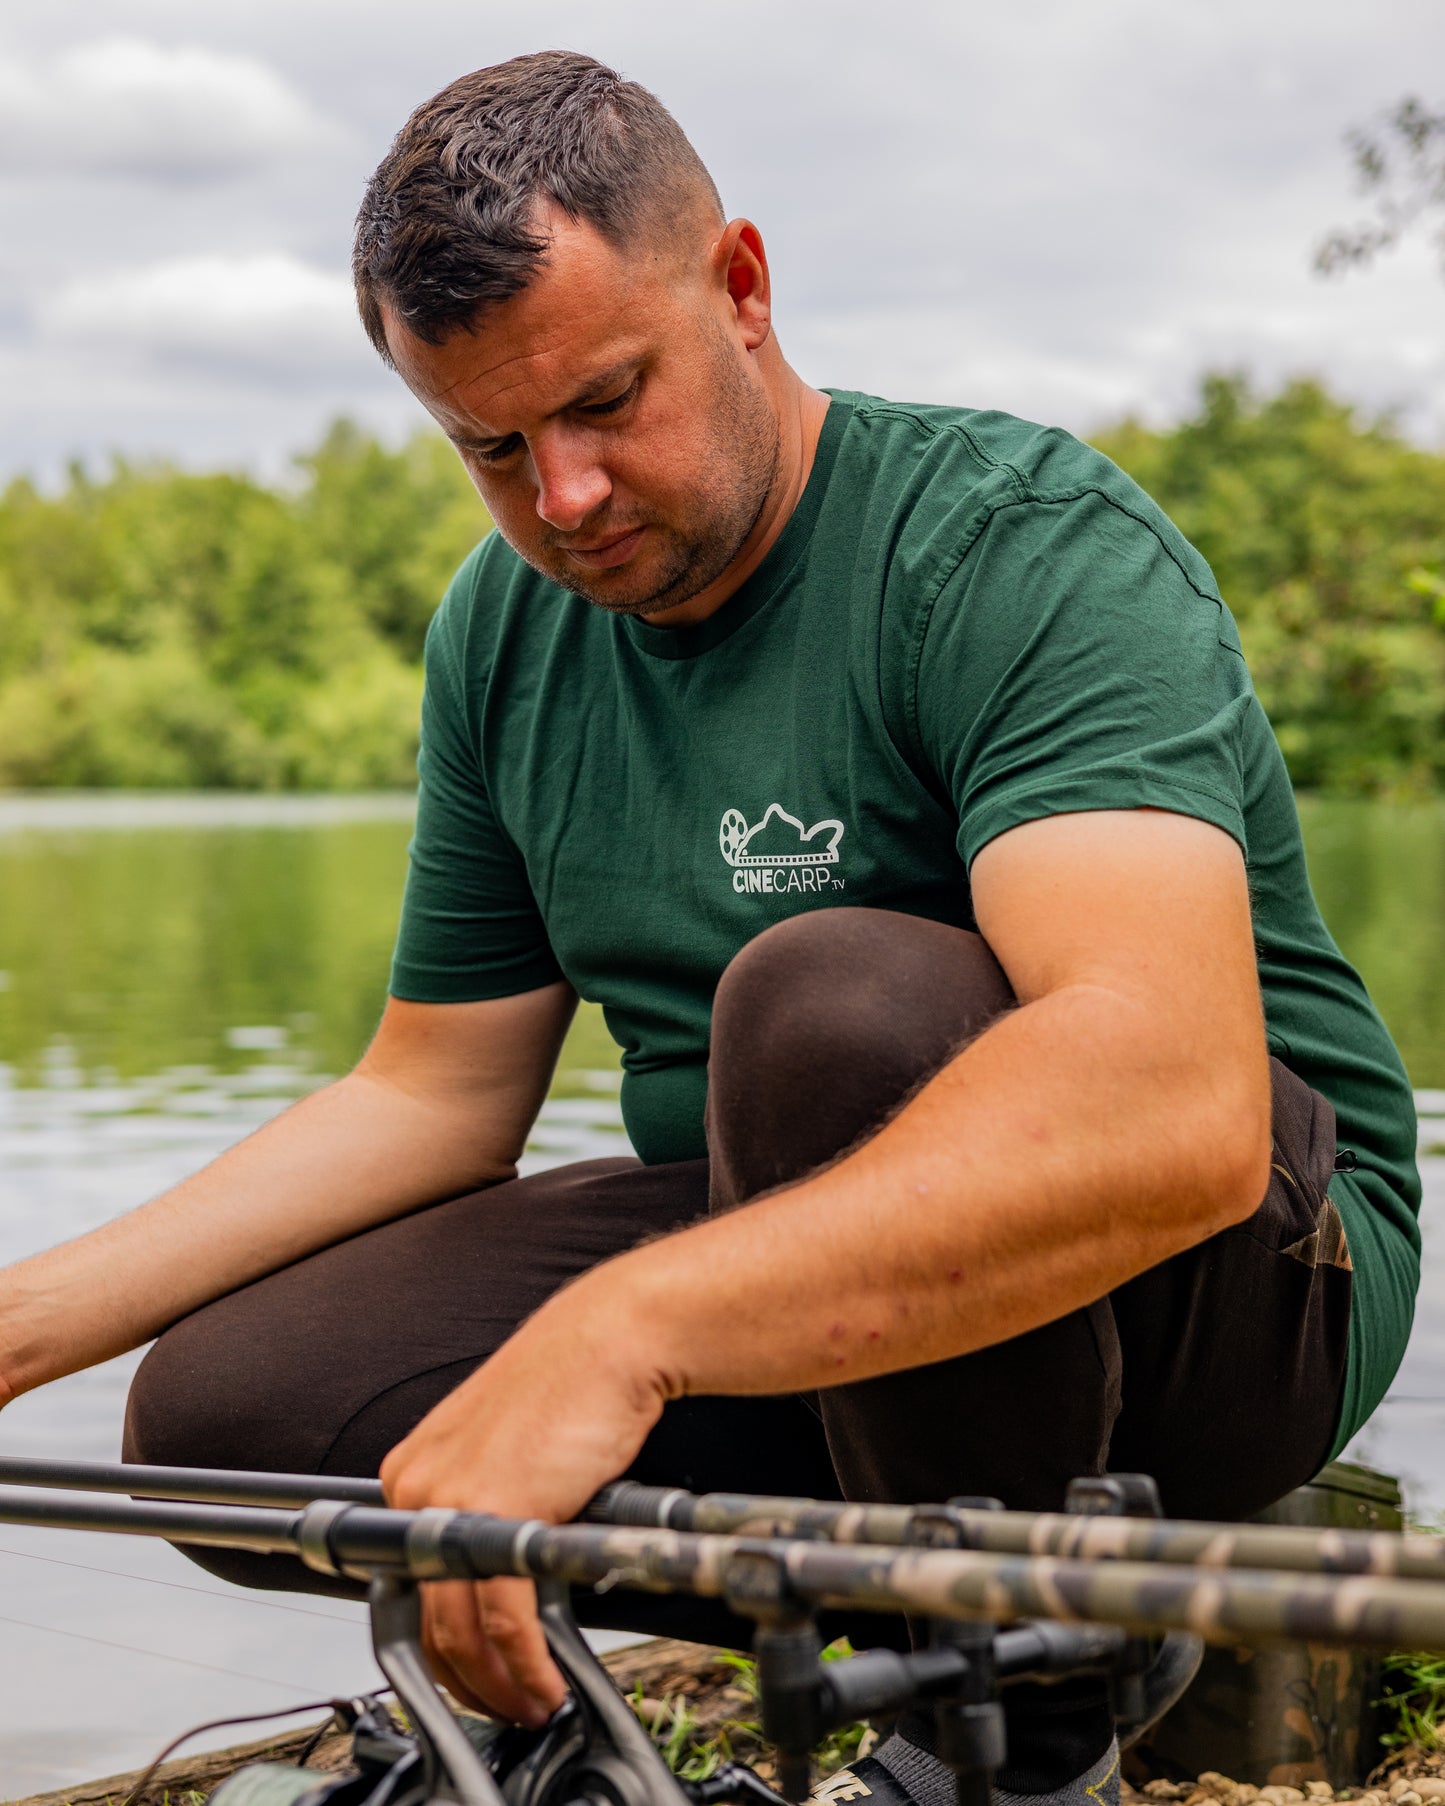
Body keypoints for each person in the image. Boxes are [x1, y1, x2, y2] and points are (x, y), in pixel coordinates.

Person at [0, 50, 1421, 1806]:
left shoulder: (1011, 541)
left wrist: (615, 1338)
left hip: (1231, 1289)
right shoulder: (504, 632)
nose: (565, 496)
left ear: (741, 285)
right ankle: (869, 1634)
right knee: (225, 1417)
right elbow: (430, 1098)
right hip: (795, 1255)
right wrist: (24, 1316)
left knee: (828, 1000)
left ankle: (1021, 1734)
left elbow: (1174, 1108)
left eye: (606, 400)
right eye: (493, 448)